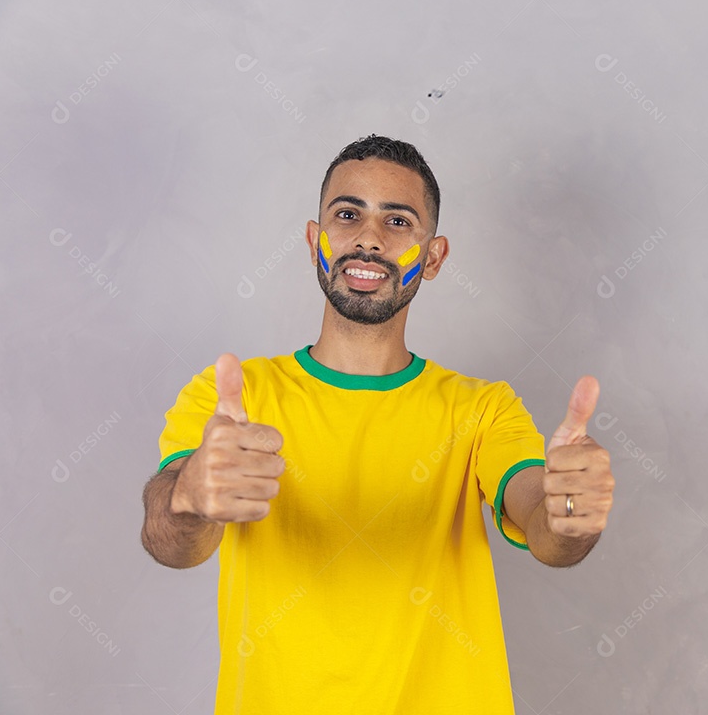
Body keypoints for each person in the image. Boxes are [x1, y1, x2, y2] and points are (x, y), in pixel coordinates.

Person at [139, 134, 616, 714]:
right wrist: (191, 494)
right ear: (316, 239)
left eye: (397, 221)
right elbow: (170, 543)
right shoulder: (233, 397)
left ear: (434, 257)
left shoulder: (482, 408)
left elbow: (544, 526)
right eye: (348, 215)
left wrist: (571, 510)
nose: (368, 238)